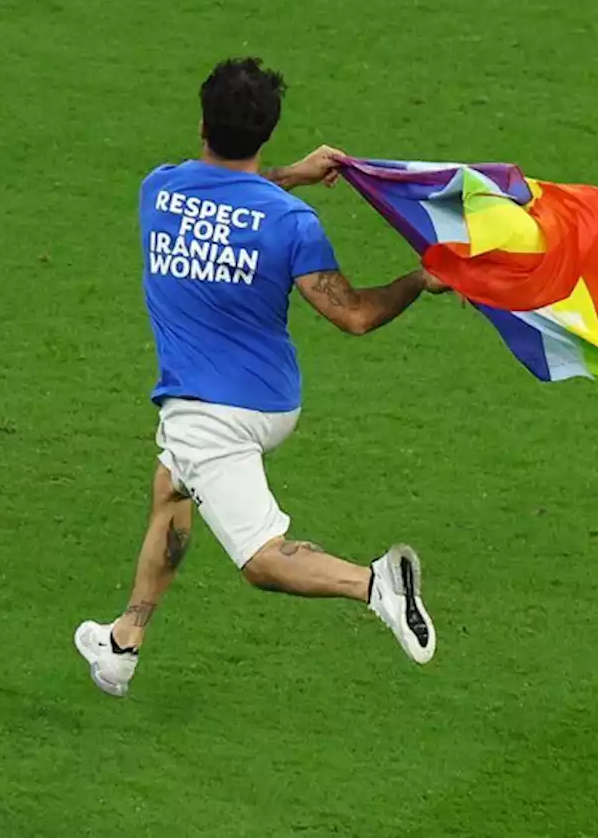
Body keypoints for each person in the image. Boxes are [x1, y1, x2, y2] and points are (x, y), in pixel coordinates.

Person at [74, 57, 448, 696]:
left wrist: (289, 178)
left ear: (201, 121)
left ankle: (377, 583)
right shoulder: (290, 224)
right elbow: (353, 315)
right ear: (267, 133)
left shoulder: (157, 190)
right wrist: (417, 278)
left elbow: (221, 197)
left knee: (261, 561)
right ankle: (123, 642)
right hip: (271, 399)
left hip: (208, 412)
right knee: (170, 489)